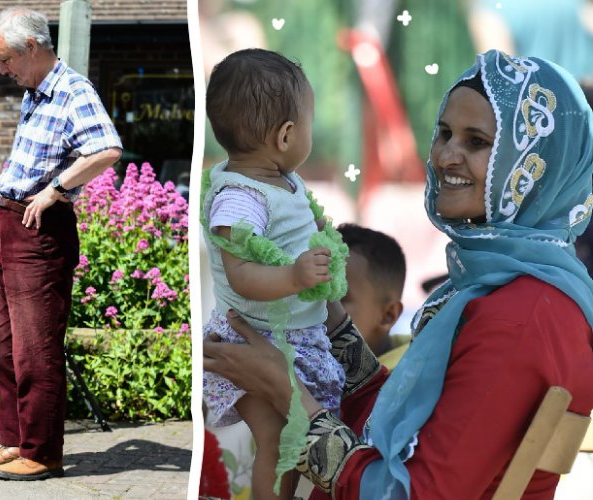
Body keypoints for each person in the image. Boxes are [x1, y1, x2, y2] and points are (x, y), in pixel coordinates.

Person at [206, 50, 593, 499]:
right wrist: (329, 318)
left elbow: (411, 492)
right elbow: (408, 426)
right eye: (445, 133)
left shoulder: (522, 315)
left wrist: (289, 394)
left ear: (536, 169)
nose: (446, 155)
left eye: (476, 142)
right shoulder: (508, 288)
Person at [0, 7, 123, 481]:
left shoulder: (73, 89)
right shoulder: (36, 91)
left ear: (32, 48)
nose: (3, 70)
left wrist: (56, 189)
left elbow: (107, 149)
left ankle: (43, 452)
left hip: (40, 231)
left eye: (6, 59)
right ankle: (15, 442)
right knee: (2, 345)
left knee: (36, 347)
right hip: (10, 222)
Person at [199, 48, 346, 500]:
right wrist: (296, 277)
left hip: (292, 337)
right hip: (253, 340)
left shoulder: (281, 179)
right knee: (277, 440)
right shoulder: (239, 198)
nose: (310, 135)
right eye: (308, 125)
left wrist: (317, 235)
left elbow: (293, 227)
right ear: (285, 135)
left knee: (293, 441)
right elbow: (241, 273)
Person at [337, 223, 407, 364]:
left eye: (337, 298)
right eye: (311, 294)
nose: (316, 309)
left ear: (388, 315)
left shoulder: (413, 381)